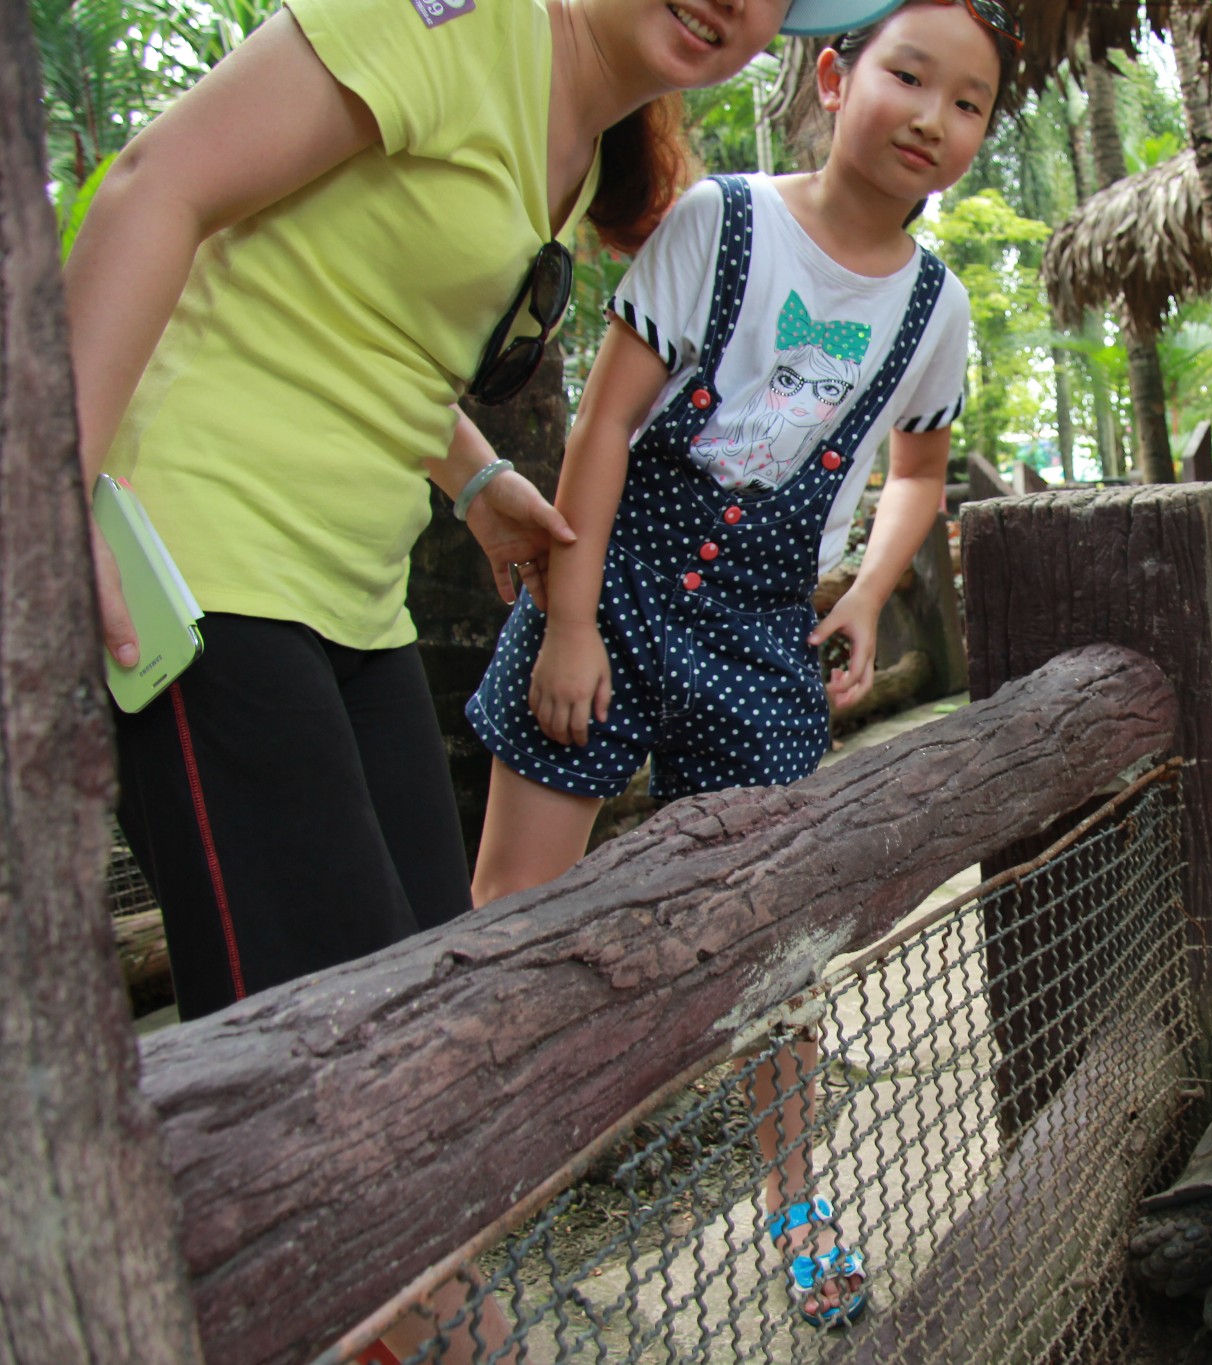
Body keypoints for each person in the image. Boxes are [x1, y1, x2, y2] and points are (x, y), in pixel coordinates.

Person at [64, 0, 905, 1357]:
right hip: (198, 551)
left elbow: (349, 313)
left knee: (426, 1017)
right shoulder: (454, 17)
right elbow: (163, 181)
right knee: (317, 1084)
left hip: (352, 585)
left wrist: (477, 479)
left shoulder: (582, 147)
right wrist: (57, 487)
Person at [461, 0, 1019, 1328]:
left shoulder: (934, 313)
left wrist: (872, 592)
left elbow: (919, 473)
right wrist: (575, 620)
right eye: (909, 77)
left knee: (779, 940)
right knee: (508, 907)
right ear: (835, 76)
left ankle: (794, 1196)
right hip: (617, 576)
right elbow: (599, 427)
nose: (933, 119)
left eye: (970, 104)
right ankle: (483, 1211)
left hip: (766, 629)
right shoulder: (724, 223)